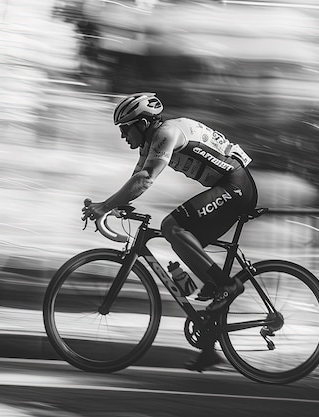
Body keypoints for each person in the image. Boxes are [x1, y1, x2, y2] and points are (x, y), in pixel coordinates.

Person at [82, 92, 258, 371]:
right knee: (183, 246)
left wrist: (105, 205)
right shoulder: (150, 143)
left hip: (236, 187)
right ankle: (210, 343)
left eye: (125, 129)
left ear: (141, 124)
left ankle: (228, 286)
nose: (123, 136)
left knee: (171, 227)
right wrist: (114, 207)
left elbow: (146, 180)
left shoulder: (166, 132)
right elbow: (135, 182)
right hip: (227, 188)